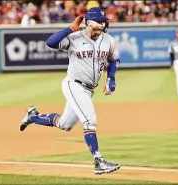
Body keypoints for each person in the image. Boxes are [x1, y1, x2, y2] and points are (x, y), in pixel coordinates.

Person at [19, 7, 121, 175]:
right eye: (99, 21)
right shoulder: (74, 38)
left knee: (65, 124)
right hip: (74, 85)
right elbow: (50, 43)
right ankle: (98, 161)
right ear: (88, 22)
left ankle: (33, 116)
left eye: (104, 22)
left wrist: (112, 78)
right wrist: (69, 29)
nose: (103, 24)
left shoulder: (108, 40)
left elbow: (114, 59)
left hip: (89, 89)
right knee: (89, 121)